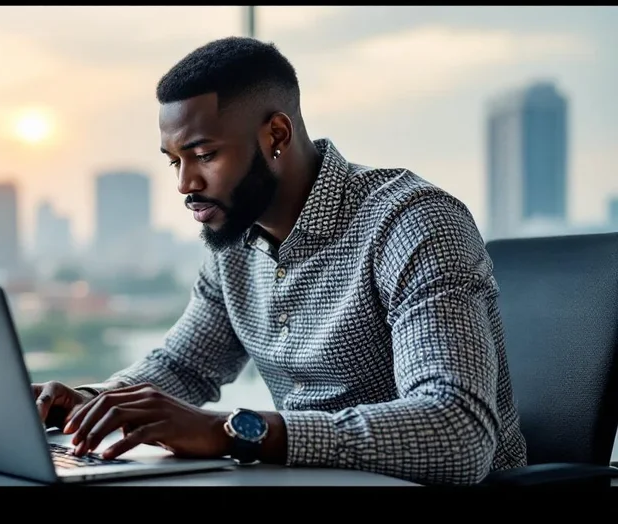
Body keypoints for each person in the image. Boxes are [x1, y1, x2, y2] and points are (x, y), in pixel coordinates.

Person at [32, 36, 527, 486]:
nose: (184, 184)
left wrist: (235, 432)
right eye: (174, 160)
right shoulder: (234, 241)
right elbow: (183, 366)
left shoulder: (412, 223)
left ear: (276, 135)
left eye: (203, 154)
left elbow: (458, 433)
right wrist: (91, 403)